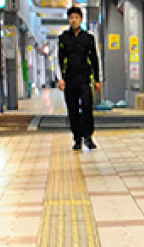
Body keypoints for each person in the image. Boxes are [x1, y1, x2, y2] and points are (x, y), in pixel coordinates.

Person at [57, 6, 101, 151]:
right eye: (71, 18)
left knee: (87, 106)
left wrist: (97, 79)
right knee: (73, 109)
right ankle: (77, 138)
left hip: (85, 79)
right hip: (70, 80)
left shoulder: (88, 38)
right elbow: (59, 59)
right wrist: (60, 78)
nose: (74, 20)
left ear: (81, 19)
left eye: (76, 17)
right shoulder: (63, 38)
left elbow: (94, 59)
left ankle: (88, 137)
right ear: (69, 20)